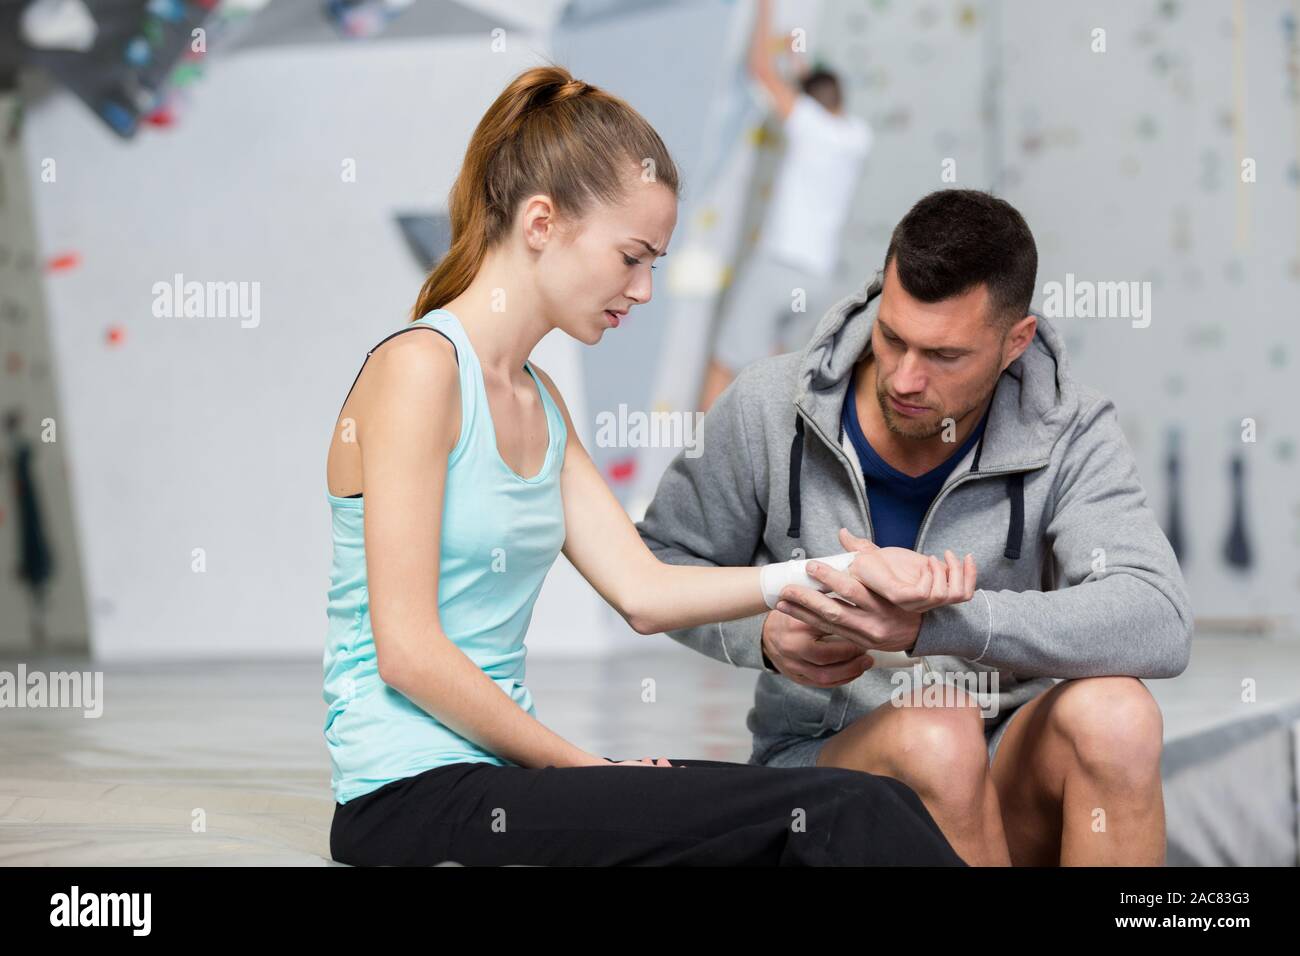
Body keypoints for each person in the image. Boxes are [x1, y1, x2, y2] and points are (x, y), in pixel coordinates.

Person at [321, 65, 975, 867]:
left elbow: (644, 590)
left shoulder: (540, 401)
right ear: (539, 223)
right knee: (842, 810)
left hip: (499, 780)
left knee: (861, 807)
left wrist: (837, 571)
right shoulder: (419, 370)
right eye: (633, 257)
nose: (644, 288)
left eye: (655, 262)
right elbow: (408, 652)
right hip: (409, 800)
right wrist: (582, 770)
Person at [638, 189, 1194, 866]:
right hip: (828, 777)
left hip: (1002, 771)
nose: (904, 377)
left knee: (1118, 716)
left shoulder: (1071, 430)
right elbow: (659, 563)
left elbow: (1158, 616)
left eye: (943, 356)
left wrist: (948, 625)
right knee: (937, 729)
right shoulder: (767, 405)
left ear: (1014, 342)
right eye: (892, 336)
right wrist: (761, 633)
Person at [700, 0, 872, 412]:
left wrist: (764, 10)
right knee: (773, 373)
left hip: (780, 264)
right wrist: (797, 60)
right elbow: (809, 89)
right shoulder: (857, 137)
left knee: (724, 363)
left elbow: (759, 70)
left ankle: (696, 461)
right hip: (817, 281)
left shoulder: (807, 125)